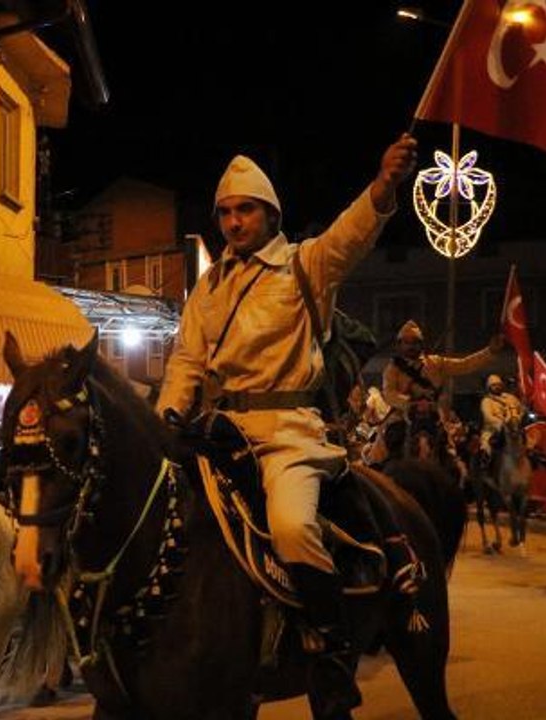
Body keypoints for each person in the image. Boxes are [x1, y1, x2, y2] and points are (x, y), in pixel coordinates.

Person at [157, 134, 418, 717]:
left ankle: (329, 650)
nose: (232, 221)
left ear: (270, 214)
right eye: (224, 211)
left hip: (287, 434)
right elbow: (187, 363)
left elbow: (352, 235)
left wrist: (384, 185)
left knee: (293, 526)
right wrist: (166, 421)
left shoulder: (305, 264)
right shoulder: (208, 285)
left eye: (244, 209)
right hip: (219, 431)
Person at [376, 320, 502, 464]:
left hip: (434, 413)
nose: (411, 346)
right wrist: (409, 403)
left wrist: (490, 351)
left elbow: (465, 365)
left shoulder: (436, 363)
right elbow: (388, 393)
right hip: (404, 414)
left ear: (420, 344)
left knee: (455, 448)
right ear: (400, 345)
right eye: (406, 342)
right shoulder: (392, 369)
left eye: (414, 342)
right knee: (386, 442)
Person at [479, 374, 526, 462]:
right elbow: (488, 416)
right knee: (486, 446)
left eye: (498, 385)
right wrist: (501, 424)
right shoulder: (487, 401)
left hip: (514, 426)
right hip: (494, 429)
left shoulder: (511, 398)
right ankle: (486, 465)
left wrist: (517, 418)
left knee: (529, 442)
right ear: (489, 387)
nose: (497, 387)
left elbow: (521, 409)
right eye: (494, 385)